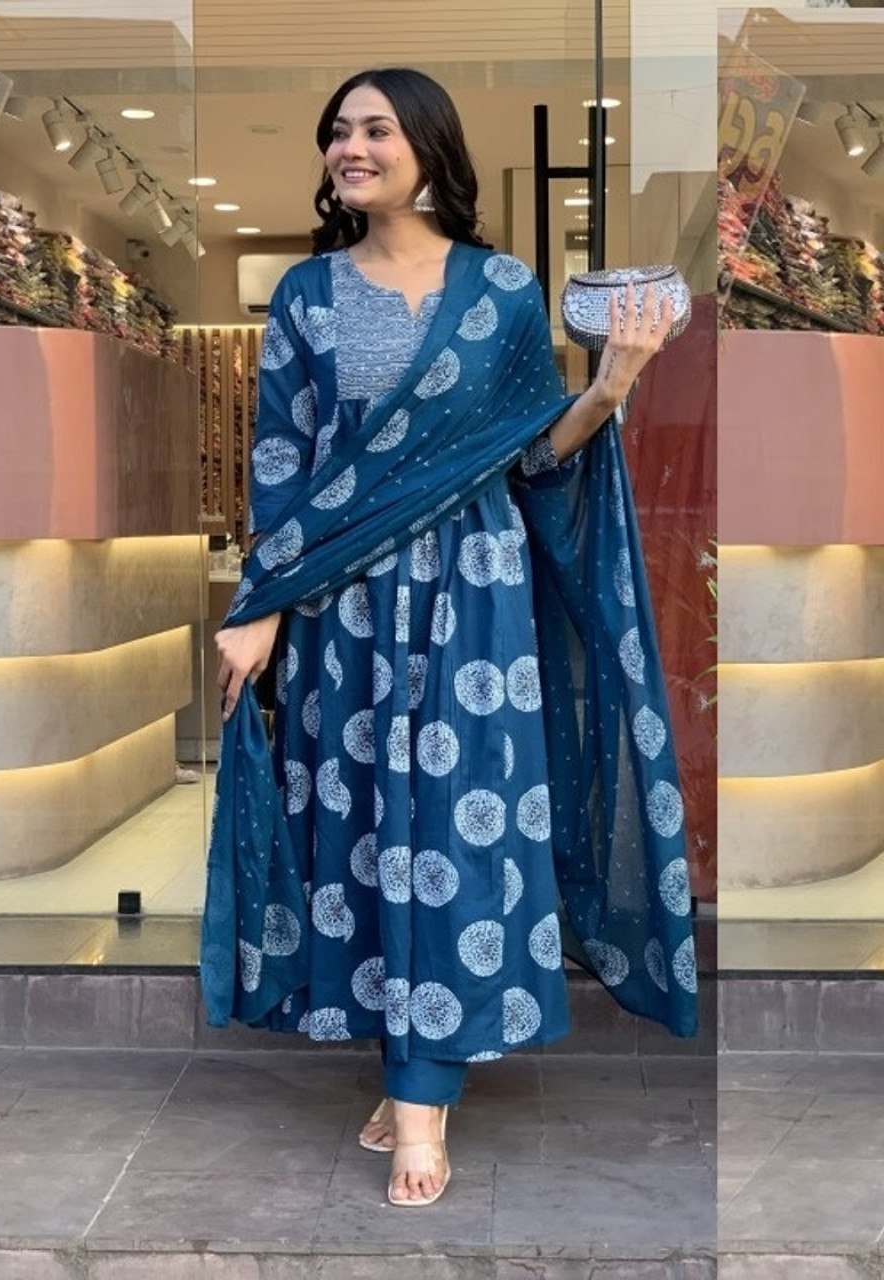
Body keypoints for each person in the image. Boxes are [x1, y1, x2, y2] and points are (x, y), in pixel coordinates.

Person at [200, 66, 697, 1209]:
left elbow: (534, 457)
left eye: (375, 129)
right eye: (337, 131)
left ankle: (420, 1095)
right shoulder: (307, 297)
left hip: (474, 604)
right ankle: (409, 1063)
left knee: (454, 830)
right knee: (370, 830)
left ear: (428, 146)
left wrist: (609, 386)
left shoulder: (503, 291)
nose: (350, 147)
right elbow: (282, 469)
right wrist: (262, 603)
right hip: (345, 609)